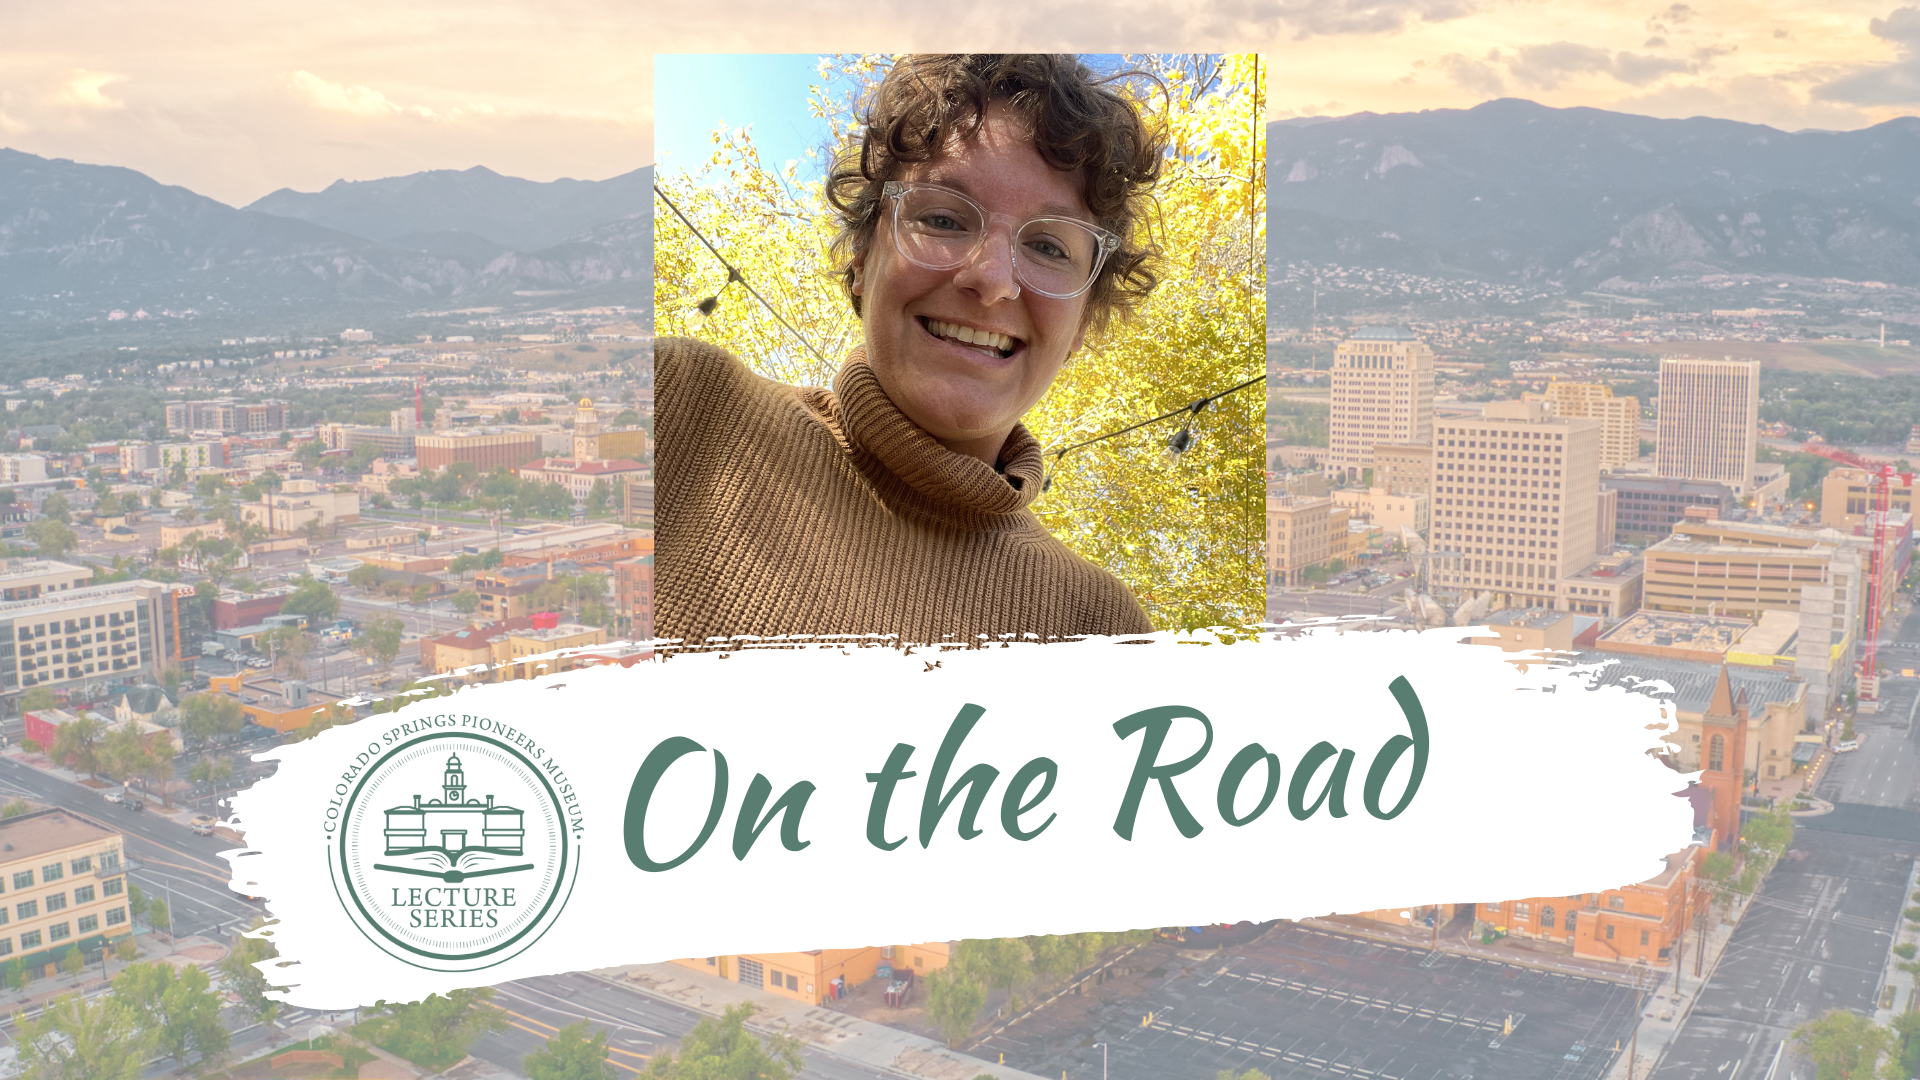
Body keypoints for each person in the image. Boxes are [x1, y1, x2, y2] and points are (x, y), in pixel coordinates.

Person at [657, 54, 1167, 646]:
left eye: (1050, 248)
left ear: (1080, 325)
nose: (993, 279)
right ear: (861, 259)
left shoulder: (1104, 634)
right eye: (945, 219)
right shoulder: (677, 406)